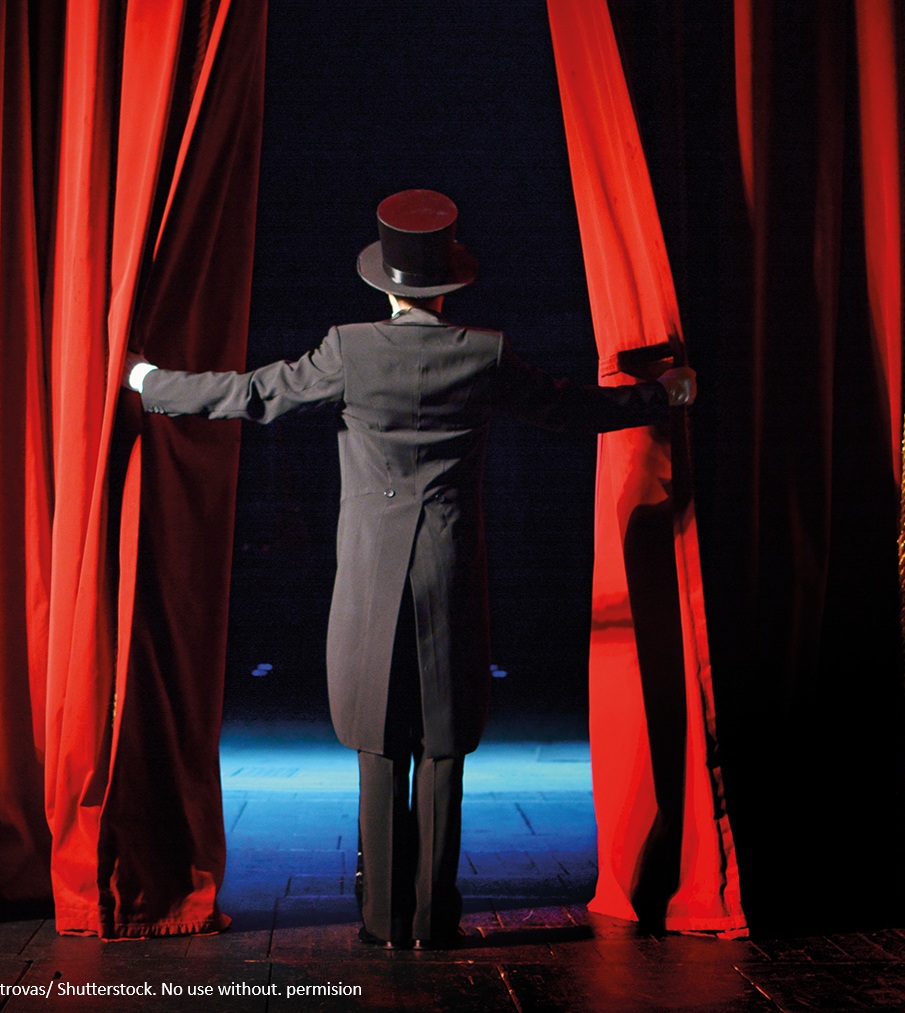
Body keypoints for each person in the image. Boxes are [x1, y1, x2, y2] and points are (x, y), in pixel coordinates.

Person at [125, 189, 695, 951]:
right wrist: (661, 396)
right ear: (449, 285)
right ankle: (433, 918)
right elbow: (571, 408)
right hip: (449, 569)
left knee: (379, 740)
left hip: (370, 575)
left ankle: (383, 917)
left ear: (386, 285)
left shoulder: (350, 349)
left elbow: (252, 394)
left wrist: (147, 381)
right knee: (444, 740)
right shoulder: (484, 353)